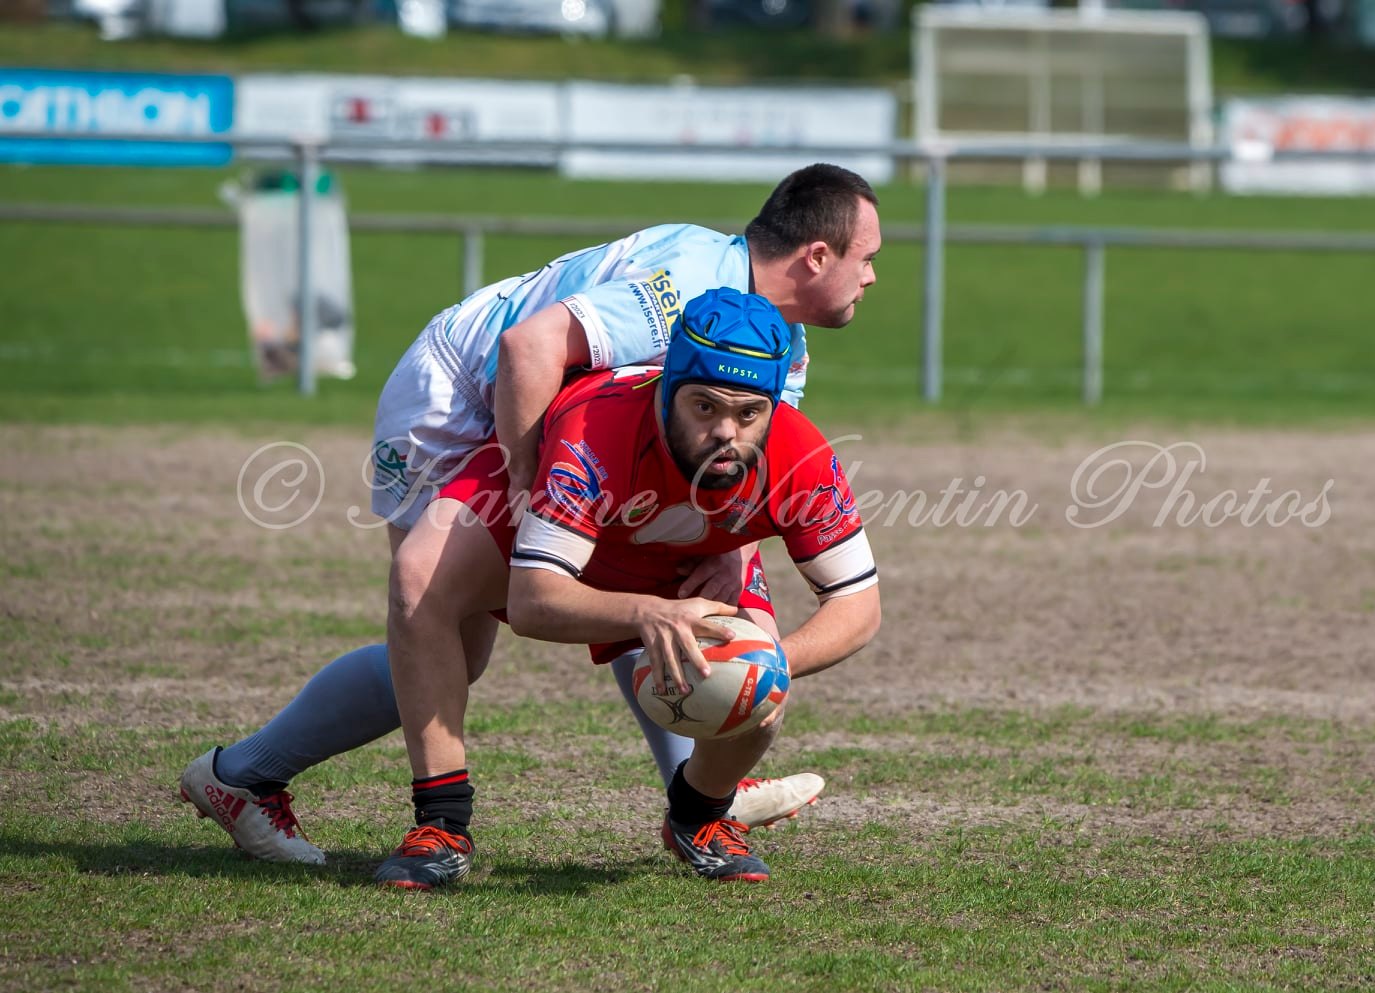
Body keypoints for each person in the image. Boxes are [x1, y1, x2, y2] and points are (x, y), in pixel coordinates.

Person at [178, 164, 882, 865]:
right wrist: (530, 501)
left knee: (667, 585)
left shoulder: (779, 341)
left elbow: (739, 471)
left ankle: (697, 798)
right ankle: (252, 776)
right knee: (443, 618)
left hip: (559, 415)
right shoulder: (692, 282)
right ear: (817, 256)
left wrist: (728, 561)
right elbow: (529, 348)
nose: (872, 277)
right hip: (461, 394)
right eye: (867, 258)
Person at [370, 287, 880, 887]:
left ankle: (699, 814)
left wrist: (767, 664)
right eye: (704, 407)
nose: (726, 432)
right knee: (418, 583)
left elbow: (859, 607)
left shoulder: (801, 454)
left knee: (761, 698)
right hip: (559, 512)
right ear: (666, 389)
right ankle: (442, 825)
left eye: (747, 413)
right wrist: (647, 613)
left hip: (689, 549)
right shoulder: (597, 433)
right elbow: (533, 601)